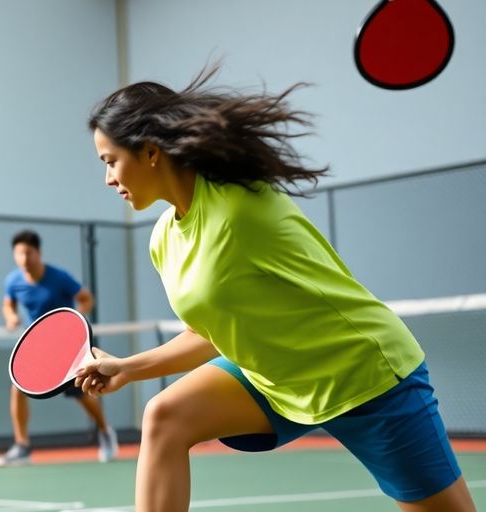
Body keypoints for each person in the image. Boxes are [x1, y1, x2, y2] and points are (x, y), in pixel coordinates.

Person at [75, 65, 477, 512]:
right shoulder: (164, 239)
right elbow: (209, 334)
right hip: (274, 380)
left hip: (364, 378)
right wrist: (129, 368)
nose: (109, 179)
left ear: (150, 152)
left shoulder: (242, 207)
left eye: (110, 162)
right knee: (166, 416)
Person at [0, 229, 119, 467]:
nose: (24, 258)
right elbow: (7, 304)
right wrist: (10, 316)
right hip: (38, 345)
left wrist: (74, 323)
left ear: (38, 253)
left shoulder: (59, 277)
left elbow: (86, 298)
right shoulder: (13, 281)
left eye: (28, 253)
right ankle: (22, 446)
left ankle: (105, 432)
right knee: (17, 387)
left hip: (67, 346)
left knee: (81, 392)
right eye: (19, 253)